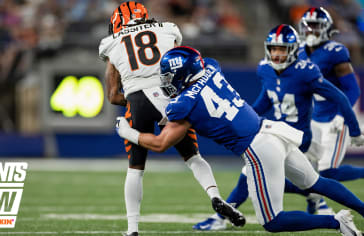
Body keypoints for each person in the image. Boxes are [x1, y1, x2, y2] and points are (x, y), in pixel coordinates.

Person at [116, 45, 364, 234]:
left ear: (182, 73)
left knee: (272, 221)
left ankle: (336, 221)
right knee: (316, 182)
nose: (165, 80)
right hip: (272, 131)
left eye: (169, 75)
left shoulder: (184, 104)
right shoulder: (211, 68)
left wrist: (129, 133)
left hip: (258, 149)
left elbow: (161, 144)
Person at [193, 23, 364, 230]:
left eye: (282, 49)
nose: (276, 54)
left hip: (300, 137)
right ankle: (317, 199)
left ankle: (221, 217)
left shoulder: (305, 71)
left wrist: (354, 129)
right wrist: (243, 117)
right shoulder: (265, 68)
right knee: (310, 182)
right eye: (273, 48)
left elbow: (339, 96)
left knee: (251, 174)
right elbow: (265, 100)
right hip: (278, 132)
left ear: (293, 50)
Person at [98, 2, 244, 236]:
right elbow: (181, 65)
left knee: (135, 169)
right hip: (171, 97)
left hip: (137, 100)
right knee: (193, 157)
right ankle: (215, 196)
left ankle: (132, 229)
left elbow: (113, 96)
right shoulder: (168, 28)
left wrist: (136, 102)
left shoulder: (111, 43)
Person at [298, 7, 364, 214]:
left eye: (316, 26)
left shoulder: (335, 51)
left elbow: (352, 88)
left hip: (336, 118)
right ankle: (314, 204)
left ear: (326, 28)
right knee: (304, 168)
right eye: (307, 27)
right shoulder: (298, 51)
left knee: (327, 171)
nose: (310, 31)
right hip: (314, 118)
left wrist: (340, 115)